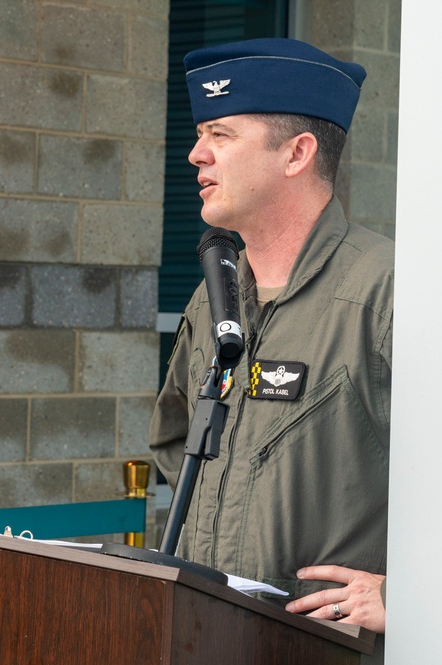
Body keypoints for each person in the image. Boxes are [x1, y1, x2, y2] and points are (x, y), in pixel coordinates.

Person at [148, 38, 391, 656]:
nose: (195, 154)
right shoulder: (216, 295)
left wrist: (418, 593)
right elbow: (179, 450)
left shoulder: (390, 289)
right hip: (207, 643)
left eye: (221, 134)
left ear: (296, 154)